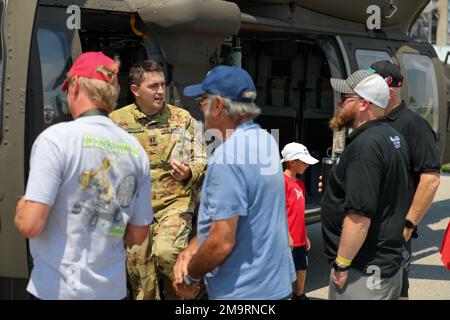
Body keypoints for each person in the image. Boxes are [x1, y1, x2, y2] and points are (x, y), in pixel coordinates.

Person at [14, 52, 153, 300]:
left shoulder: (55, 140)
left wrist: (23, 205)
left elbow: (30, 225)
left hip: (57, 290)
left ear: (76, 86)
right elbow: (138, 234)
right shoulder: (135, 150)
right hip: (112, 291)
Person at [172, 65, 296, 300]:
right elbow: (237, 220)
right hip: (275, 287)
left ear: (217, 105)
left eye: (202, 99)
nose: (200, 108)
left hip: (243, 294)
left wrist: (190, 277)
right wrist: (192, 249)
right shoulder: (266, 141)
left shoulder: (228, 156)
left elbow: (221, 242)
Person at [109, 60, 207, 300]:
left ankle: (192, 289)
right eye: (153, 86)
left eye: (163, 85)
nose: (161, 91)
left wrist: (189, 172)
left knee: (167, 253)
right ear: (135, 90)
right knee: (142, 283)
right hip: (135, 209)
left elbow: (201, 158)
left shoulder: (182, 118)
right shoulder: (116, 121)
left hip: (174, 203)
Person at [321, 70, 413, 299]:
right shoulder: (392, 137)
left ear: (364, 104)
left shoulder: (365, 147)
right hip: (385, 265)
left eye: (346, 98)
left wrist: (342, 264)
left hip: (362, 271)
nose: (340, 102)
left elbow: (359, 216)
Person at [369, 60, 441, 299]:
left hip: (394, 230)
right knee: (368, 289)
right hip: (367, 227)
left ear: (387, 92)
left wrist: (407, 226)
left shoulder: (414, 126)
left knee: (396, 289)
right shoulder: (373, 121)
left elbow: (430, 181)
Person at [281, 142, 318, 300]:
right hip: (285, 240)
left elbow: (299, 213)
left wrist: (305, 235)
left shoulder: (301, 184)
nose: (307, 165)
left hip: (300, 238)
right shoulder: (281, 182)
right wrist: (286, 234)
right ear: (291, 162)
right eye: (304, 162)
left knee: (302, 267)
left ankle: (299, 294)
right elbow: (278, 212)